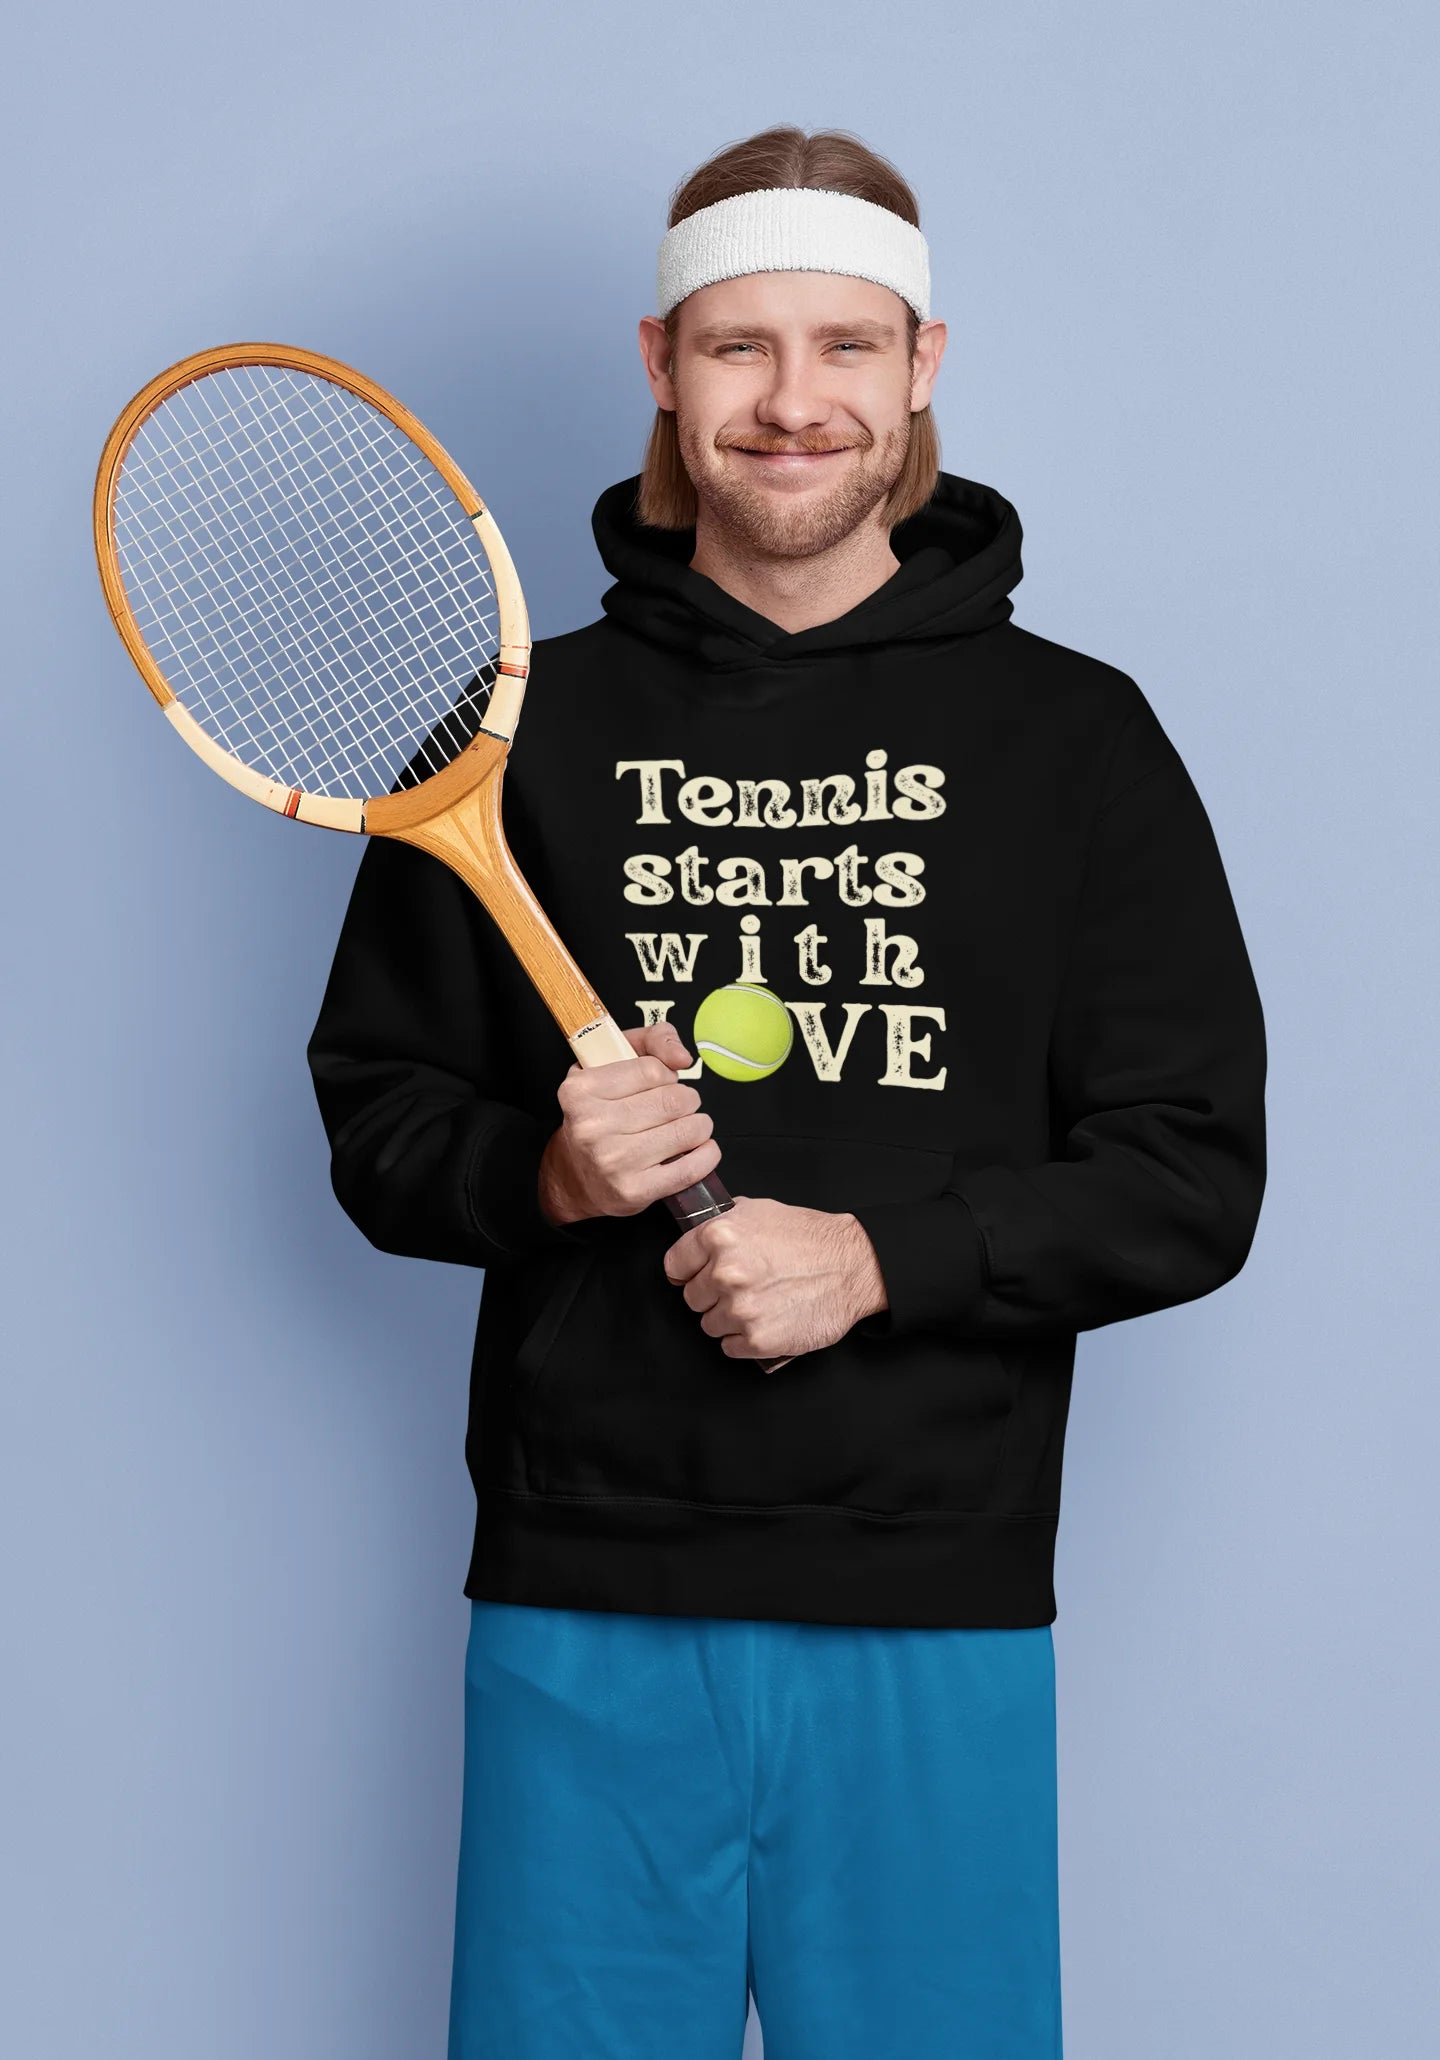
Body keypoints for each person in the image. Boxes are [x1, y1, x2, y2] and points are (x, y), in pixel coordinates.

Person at [307, 124, 1267, 2060]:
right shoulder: (514, 734)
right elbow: (383, 1120)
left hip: (939, 1589)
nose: (794, 403)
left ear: (925, 365)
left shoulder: (1078, 740)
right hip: (586, 1585)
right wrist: (554, 1176)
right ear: (661, 366)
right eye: (741, 349)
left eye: (847, 346)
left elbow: (1189, 1173)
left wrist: (882, 1261)